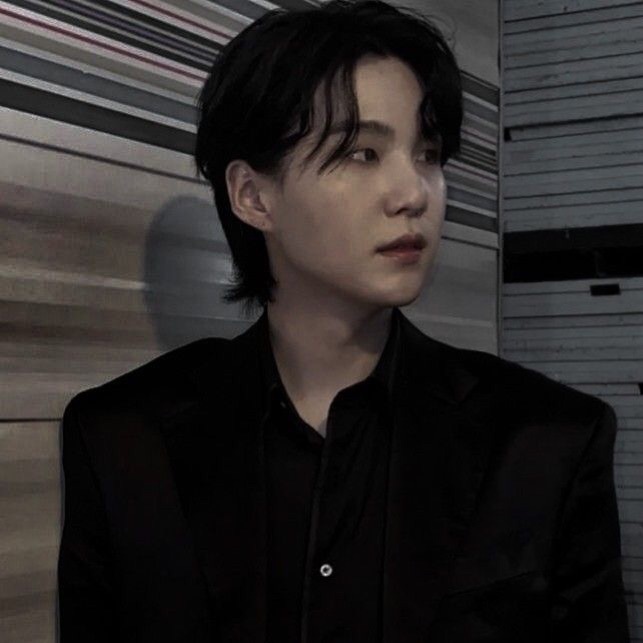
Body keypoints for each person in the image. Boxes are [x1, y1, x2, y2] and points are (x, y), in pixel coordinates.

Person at [56, 1, 630, 641]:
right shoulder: (122, 440)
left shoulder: (547, 441)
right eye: (362, 153)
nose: (413, 193)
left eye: (428, 153)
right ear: (253, 195)